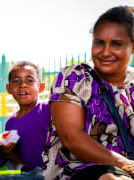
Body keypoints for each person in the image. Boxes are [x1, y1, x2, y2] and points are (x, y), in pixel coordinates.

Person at [43, 6, 134, 180]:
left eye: (116, 44)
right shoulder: (75, 77)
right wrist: (126, 164)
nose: (105, 52)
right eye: (99, 42)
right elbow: (72, 137)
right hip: (81, 169)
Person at [0, 61, 50, 171]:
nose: (22, 85)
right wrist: (8, 152)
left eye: (29, 80)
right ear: (9, 88)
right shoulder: (10, 123)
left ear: (41, 87)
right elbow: (21, 159)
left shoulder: (48, 109)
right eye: (16, 81)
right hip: (32, 175)